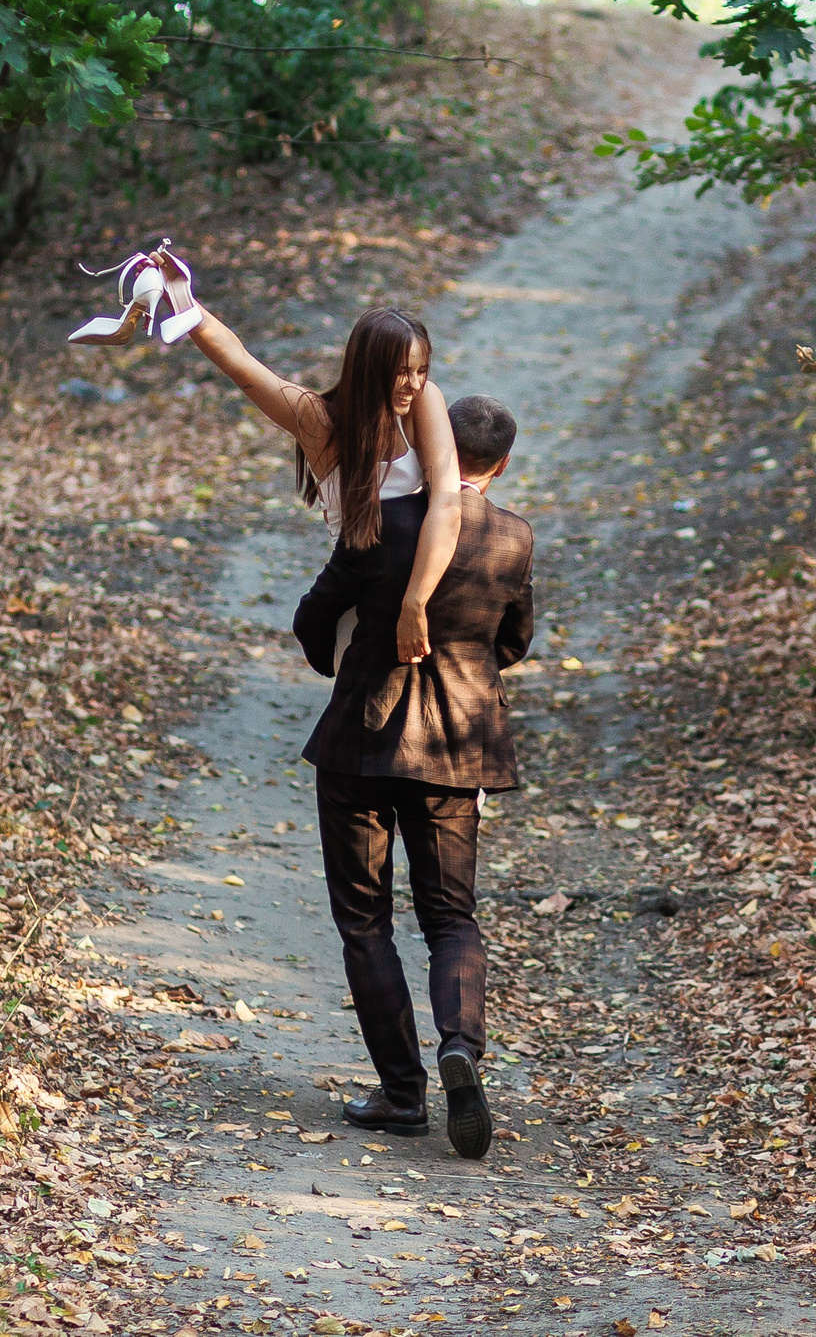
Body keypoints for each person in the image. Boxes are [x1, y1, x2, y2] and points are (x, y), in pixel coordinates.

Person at [291, 394, 533, 1160]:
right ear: (501, 465)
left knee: (365, 922)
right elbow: (515, 638)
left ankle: (402, 1094)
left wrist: (340, 657)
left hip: (362, 740)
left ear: (430, 446)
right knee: (450, 916)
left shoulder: (383, 520)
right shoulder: (513, 537)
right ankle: (460, 1042)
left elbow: (313, 613)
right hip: (457, 751)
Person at [169, 282, 463, 665]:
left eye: (421, 370)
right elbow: (239, 362)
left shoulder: (424, 401)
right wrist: (179, 294)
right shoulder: (319, 420)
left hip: (422, 591)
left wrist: (416, 602)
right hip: (363, 602)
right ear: (370, 369)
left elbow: (448, 499)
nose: (414, 384)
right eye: (401, 372)